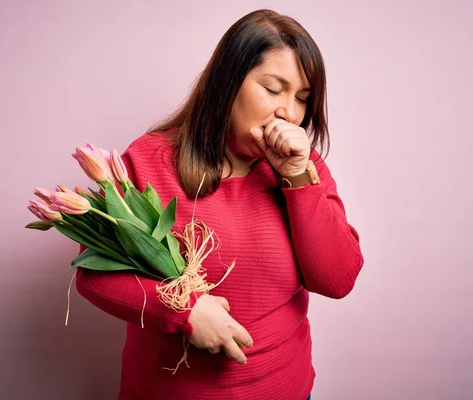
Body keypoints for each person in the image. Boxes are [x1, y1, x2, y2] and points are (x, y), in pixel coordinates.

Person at [75, 9, 364, 400]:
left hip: (286, 389)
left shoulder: (305, 167)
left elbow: (337, 279)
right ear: (228, 83)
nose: (290, 113)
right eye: (274, 89)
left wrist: (298, 180)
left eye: (302, 98)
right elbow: (93, 274)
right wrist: (185, 312)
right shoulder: (148, 160)